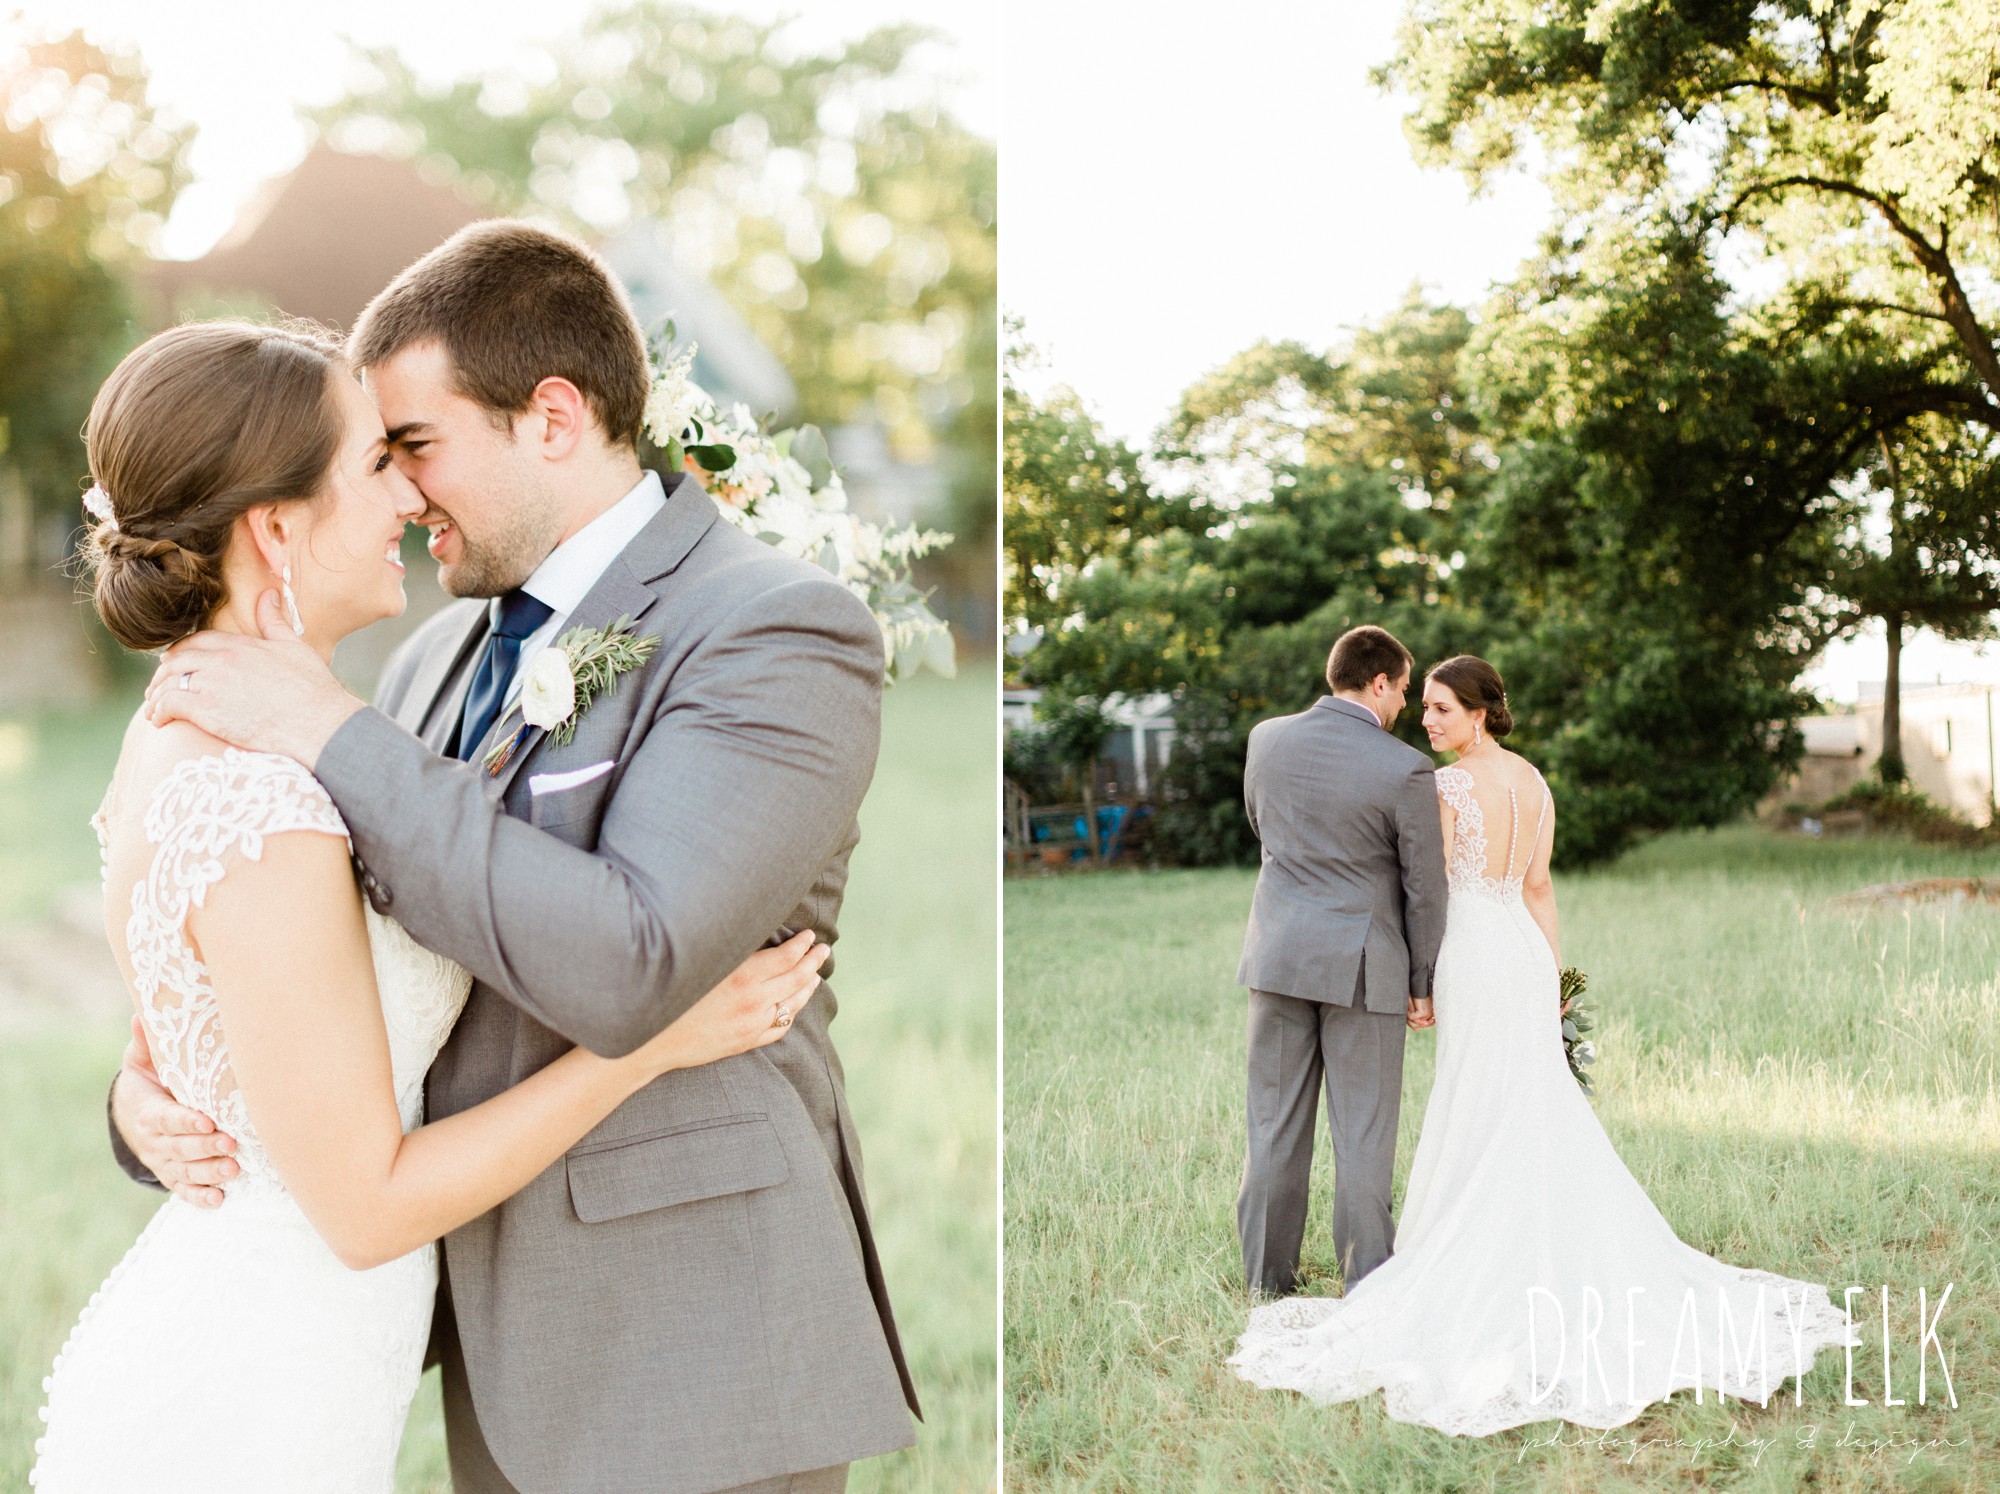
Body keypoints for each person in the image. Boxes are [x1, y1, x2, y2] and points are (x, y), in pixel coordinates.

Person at [109, 222, 918, 1494]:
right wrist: (154, 1098)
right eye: (373, 459)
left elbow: (636, 963)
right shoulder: (429, 657)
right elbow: (311, 950)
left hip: (689, 1341)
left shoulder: (773, 629)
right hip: (475, 1334)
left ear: (551, 416)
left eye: (412, 446)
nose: (398, 491)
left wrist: (328, 729)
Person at [1228, 654, 1855, 1433]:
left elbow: (1428, 887)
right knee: (1522, 1099)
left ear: (1480, 713)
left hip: (1467, 954)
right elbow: (1538, 889)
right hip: (1521, 955)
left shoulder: (1444, 785)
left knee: (1473, 1101)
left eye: (1444, 710)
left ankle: (1455, 1255)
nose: (1428, 722)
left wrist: (1423, 977)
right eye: (1424, 707)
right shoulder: (1534, 782)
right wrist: (1550, 983)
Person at [1234, 624, 1448, 1297]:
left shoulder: (1265, 740)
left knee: (1272, 1125)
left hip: (1277, 958)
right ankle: (1367, 1282)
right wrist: (1423, 983)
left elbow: (1260, 826)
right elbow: (1424, 887)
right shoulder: (1405, 767)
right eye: (1405, 690)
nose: (1405, 707)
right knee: (1363, 1134)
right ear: (1378, 681)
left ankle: (1267, 1280)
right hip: (1363, 970)